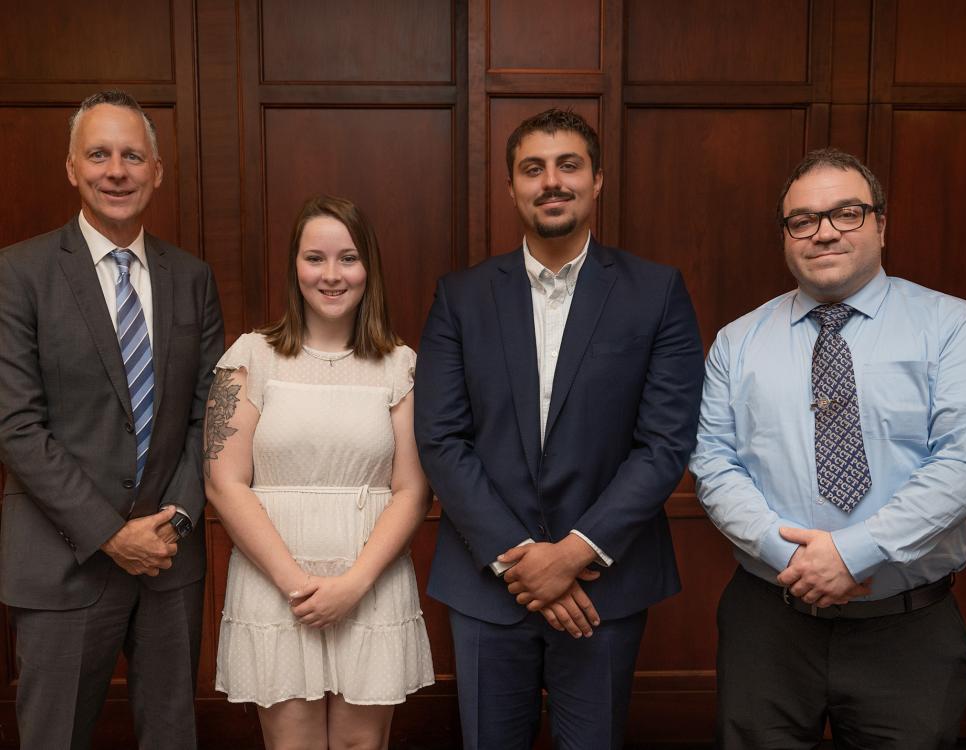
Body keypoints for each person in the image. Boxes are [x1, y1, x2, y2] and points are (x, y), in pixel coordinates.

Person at [689, 148, 966, 748]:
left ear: (881, 224)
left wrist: (855, 552)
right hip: (768, 626)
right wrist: (793, 562)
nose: (824, 231)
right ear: (786, 235)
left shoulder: (954, 327)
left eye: (846, 213)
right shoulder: (738, 341)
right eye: (802, 220)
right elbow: (714, 462)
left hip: (908, 630)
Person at [414, 108, 704, 749]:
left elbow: (665, 443)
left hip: (606, 584)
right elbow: (440, 438)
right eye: (533, 168)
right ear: (512, 186)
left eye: (568, 165)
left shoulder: (655, 292)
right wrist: (522, 562)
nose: (552, 181)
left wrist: (573, 554)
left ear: (597, 180)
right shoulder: (460, 298)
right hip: (489, 584)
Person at [0, 90, 224, 749]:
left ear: (157, 169)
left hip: (168, 561)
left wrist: (176, 519)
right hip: (61, 564)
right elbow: (16, 425)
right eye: (99, 154)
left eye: (132, 155)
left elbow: (209, 419)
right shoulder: (19, 273)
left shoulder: (192, 279)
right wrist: (109, 534)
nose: (116, 170)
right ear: (72, 168)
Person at [205, 195, 433, 749]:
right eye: (315, 258)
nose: (331, 275)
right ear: (295, 267)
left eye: (348, 258)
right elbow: (222, 481)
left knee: (363, 744)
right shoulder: (249, 357)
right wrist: (295, 585)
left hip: (370, 582)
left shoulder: (400, 365)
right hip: (274, 581)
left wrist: (352, 586)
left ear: (367, 270)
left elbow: (412, 488)